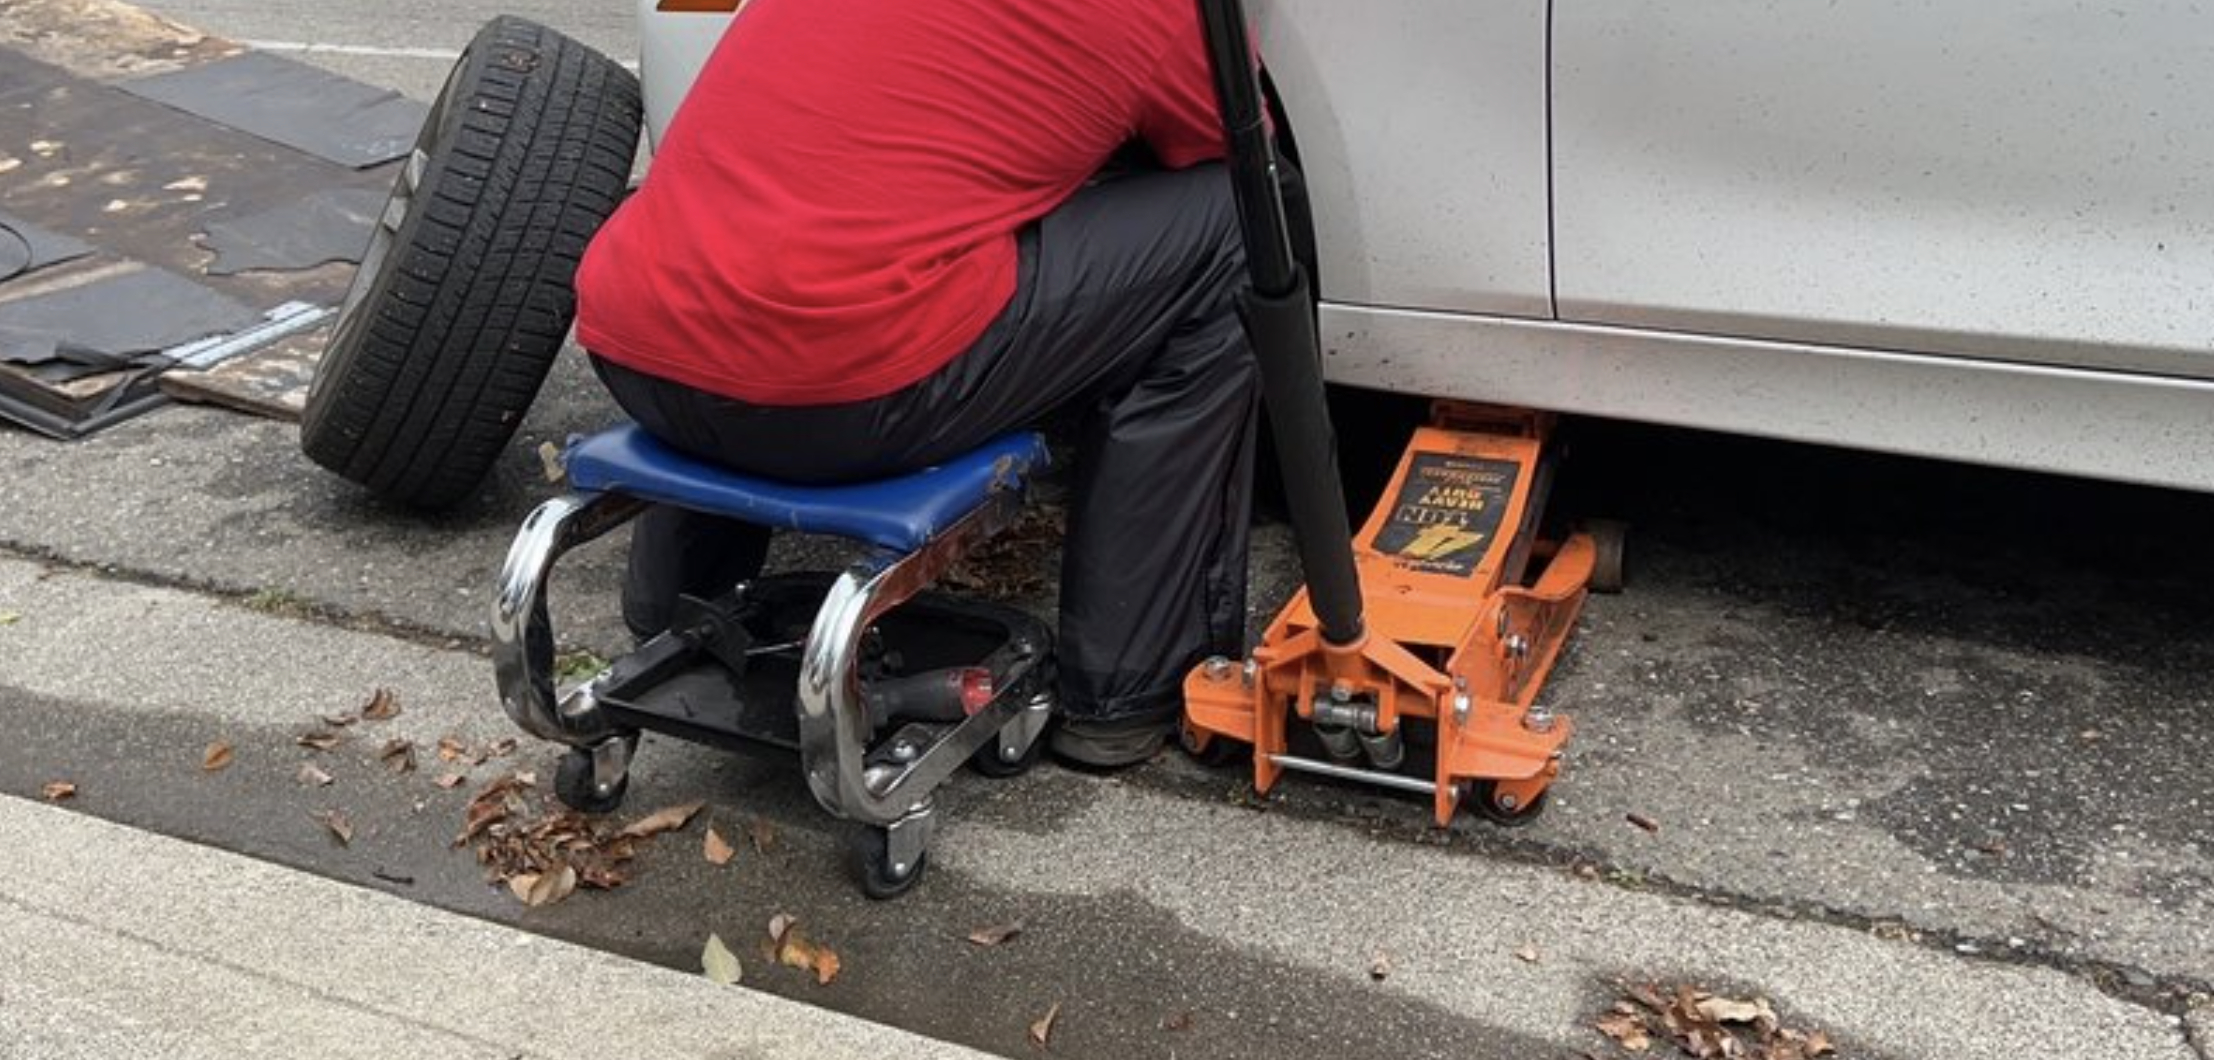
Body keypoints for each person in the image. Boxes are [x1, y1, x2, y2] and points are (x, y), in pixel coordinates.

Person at [572, 0, 1262, 768]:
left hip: (635, 343)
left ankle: (674, 617)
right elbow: (1227, 143)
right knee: (1242, 221)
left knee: (771, 255)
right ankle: (1126, 686)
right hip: (847, 395)